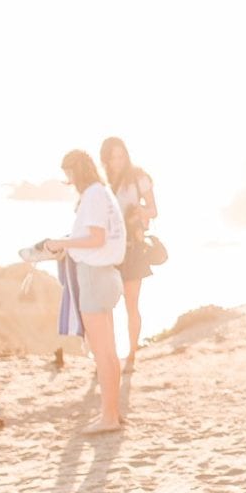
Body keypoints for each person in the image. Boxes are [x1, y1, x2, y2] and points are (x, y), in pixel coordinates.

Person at [43, 149, 126, 434]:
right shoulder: (103, 192)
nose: (68, 181)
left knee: (101, 353)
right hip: (108, 275)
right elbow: (99, 237)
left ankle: (109, 417)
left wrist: (60, 244)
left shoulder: (92, 195)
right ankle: (113, 413)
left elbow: (95, 238)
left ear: (75, 171)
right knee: (110, 352)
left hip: (93, 276)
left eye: (68, 174)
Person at [100, 136, 157, 368]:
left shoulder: (138, 178)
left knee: (131, 304)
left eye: (121, 156)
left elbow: (154, 210)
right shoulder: (102, 182)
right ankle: (110, 356)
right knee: (107, 306)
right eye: (113, 157)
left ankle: (132, 355)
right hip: (109, 250)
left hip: (133, 249)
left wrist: (138, 213)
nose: (118, 161)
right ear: (106, 159)